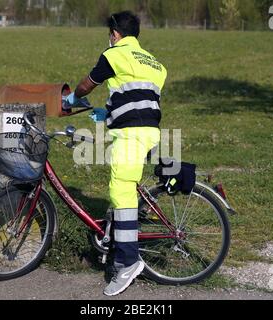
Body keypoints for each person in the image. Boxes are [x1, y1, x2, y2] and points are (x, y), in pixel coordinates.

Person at [64, 11, 167, 296]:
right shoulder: (155, 64)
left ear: (115, 33)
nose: (109, 37)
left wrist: (72, 99)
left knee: (120, 192)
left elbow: (87, 84)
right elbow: (136, 98)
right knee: (126, 189)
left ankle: (128, 261)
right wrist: (106, 114)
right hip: (150, 132)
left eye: (110, 33)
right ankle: (114, 236)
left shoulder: (114, 55)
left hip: (131, 135)